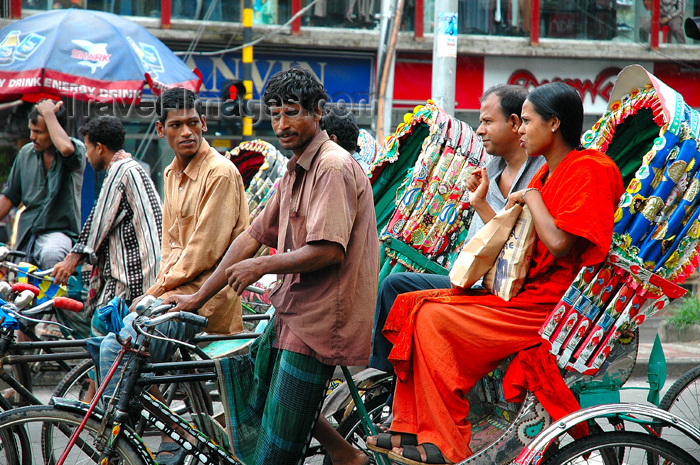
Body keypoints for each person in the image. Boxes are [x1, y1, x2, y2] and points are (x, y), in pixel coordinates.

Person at [367, 82, 624, 464]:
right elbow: (515, 251)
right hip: (521, 293)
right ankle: (409, 425)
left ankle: (444, 441)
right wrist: (483, 204)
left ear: (553, 124)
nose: (521, 129)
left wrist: (533, 200)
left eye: (529, 121)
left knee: (431, 319)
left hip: (546, 306)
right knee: (408, 302)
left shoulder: (590, 169)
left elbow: (560, 246)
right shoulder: (545, 177)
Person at [167, 67, 379, 465]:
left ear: (318, 113)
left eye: (292, 113)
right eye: (275, 114)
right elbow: (252, 236)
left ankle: (347, 458)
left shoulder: (331, 167)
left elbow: (328, 251)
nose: (281, 125)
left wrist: (260, 268)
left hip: (320, 321)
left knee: (275, 451)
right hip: (293, 311)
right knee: (255, 393)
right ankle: (346, 456)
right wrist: (197, 298)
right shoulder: (295, 169)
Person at [97, 87, 249, 465]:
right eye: (177, 125)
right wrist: (153, 292)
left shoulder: (220, 173)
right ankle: (147, 432)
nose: (187, 132)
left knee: (117, 348)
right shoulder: (170, 172)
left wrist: (154, 292)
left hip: (206, 300)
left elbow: (204, 251)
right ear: (162, 129)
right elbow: (171, 248)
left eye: (193, 123)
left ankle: (119, 437)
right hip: (174, 295)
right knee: (110, 336)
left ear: (204, 124)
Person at [369, 84, 545, 376]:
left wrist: (480, 205)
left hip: (505, 290)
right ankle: (381, 382)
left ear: (515, 123)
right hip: (473, 281)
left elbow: (517, 247)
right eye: (480, 123)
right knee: (394, 286)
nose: (479, 130)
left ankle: (391, 391)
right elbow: (479, 244)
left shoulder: (539, 174)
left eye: (488, 122)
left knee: (415, 303)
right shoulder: (490, 169)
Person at [51, 116, 162, 338]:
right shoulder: (133, 168)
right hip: (149, 276)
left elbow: (98, 223)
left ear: (100, 148)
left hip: (135, 281)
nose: (87, 156)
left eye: (89, 149)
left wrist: (72, 259)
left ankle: (95, 374)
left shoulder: (121, 170)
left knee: (99, 328)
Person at [0, 99, 85, 270]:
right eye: (31, 131)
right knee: (18, 281)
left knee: (51, 254)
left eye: (38, 132)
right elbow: (10, 197)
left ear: (55, 130)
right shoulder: (26, 154)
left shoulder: (75, 150)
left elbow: (66, 149)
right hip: (27, 234)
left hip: (58, 234)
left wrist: (48, 114)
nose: (32, 137)